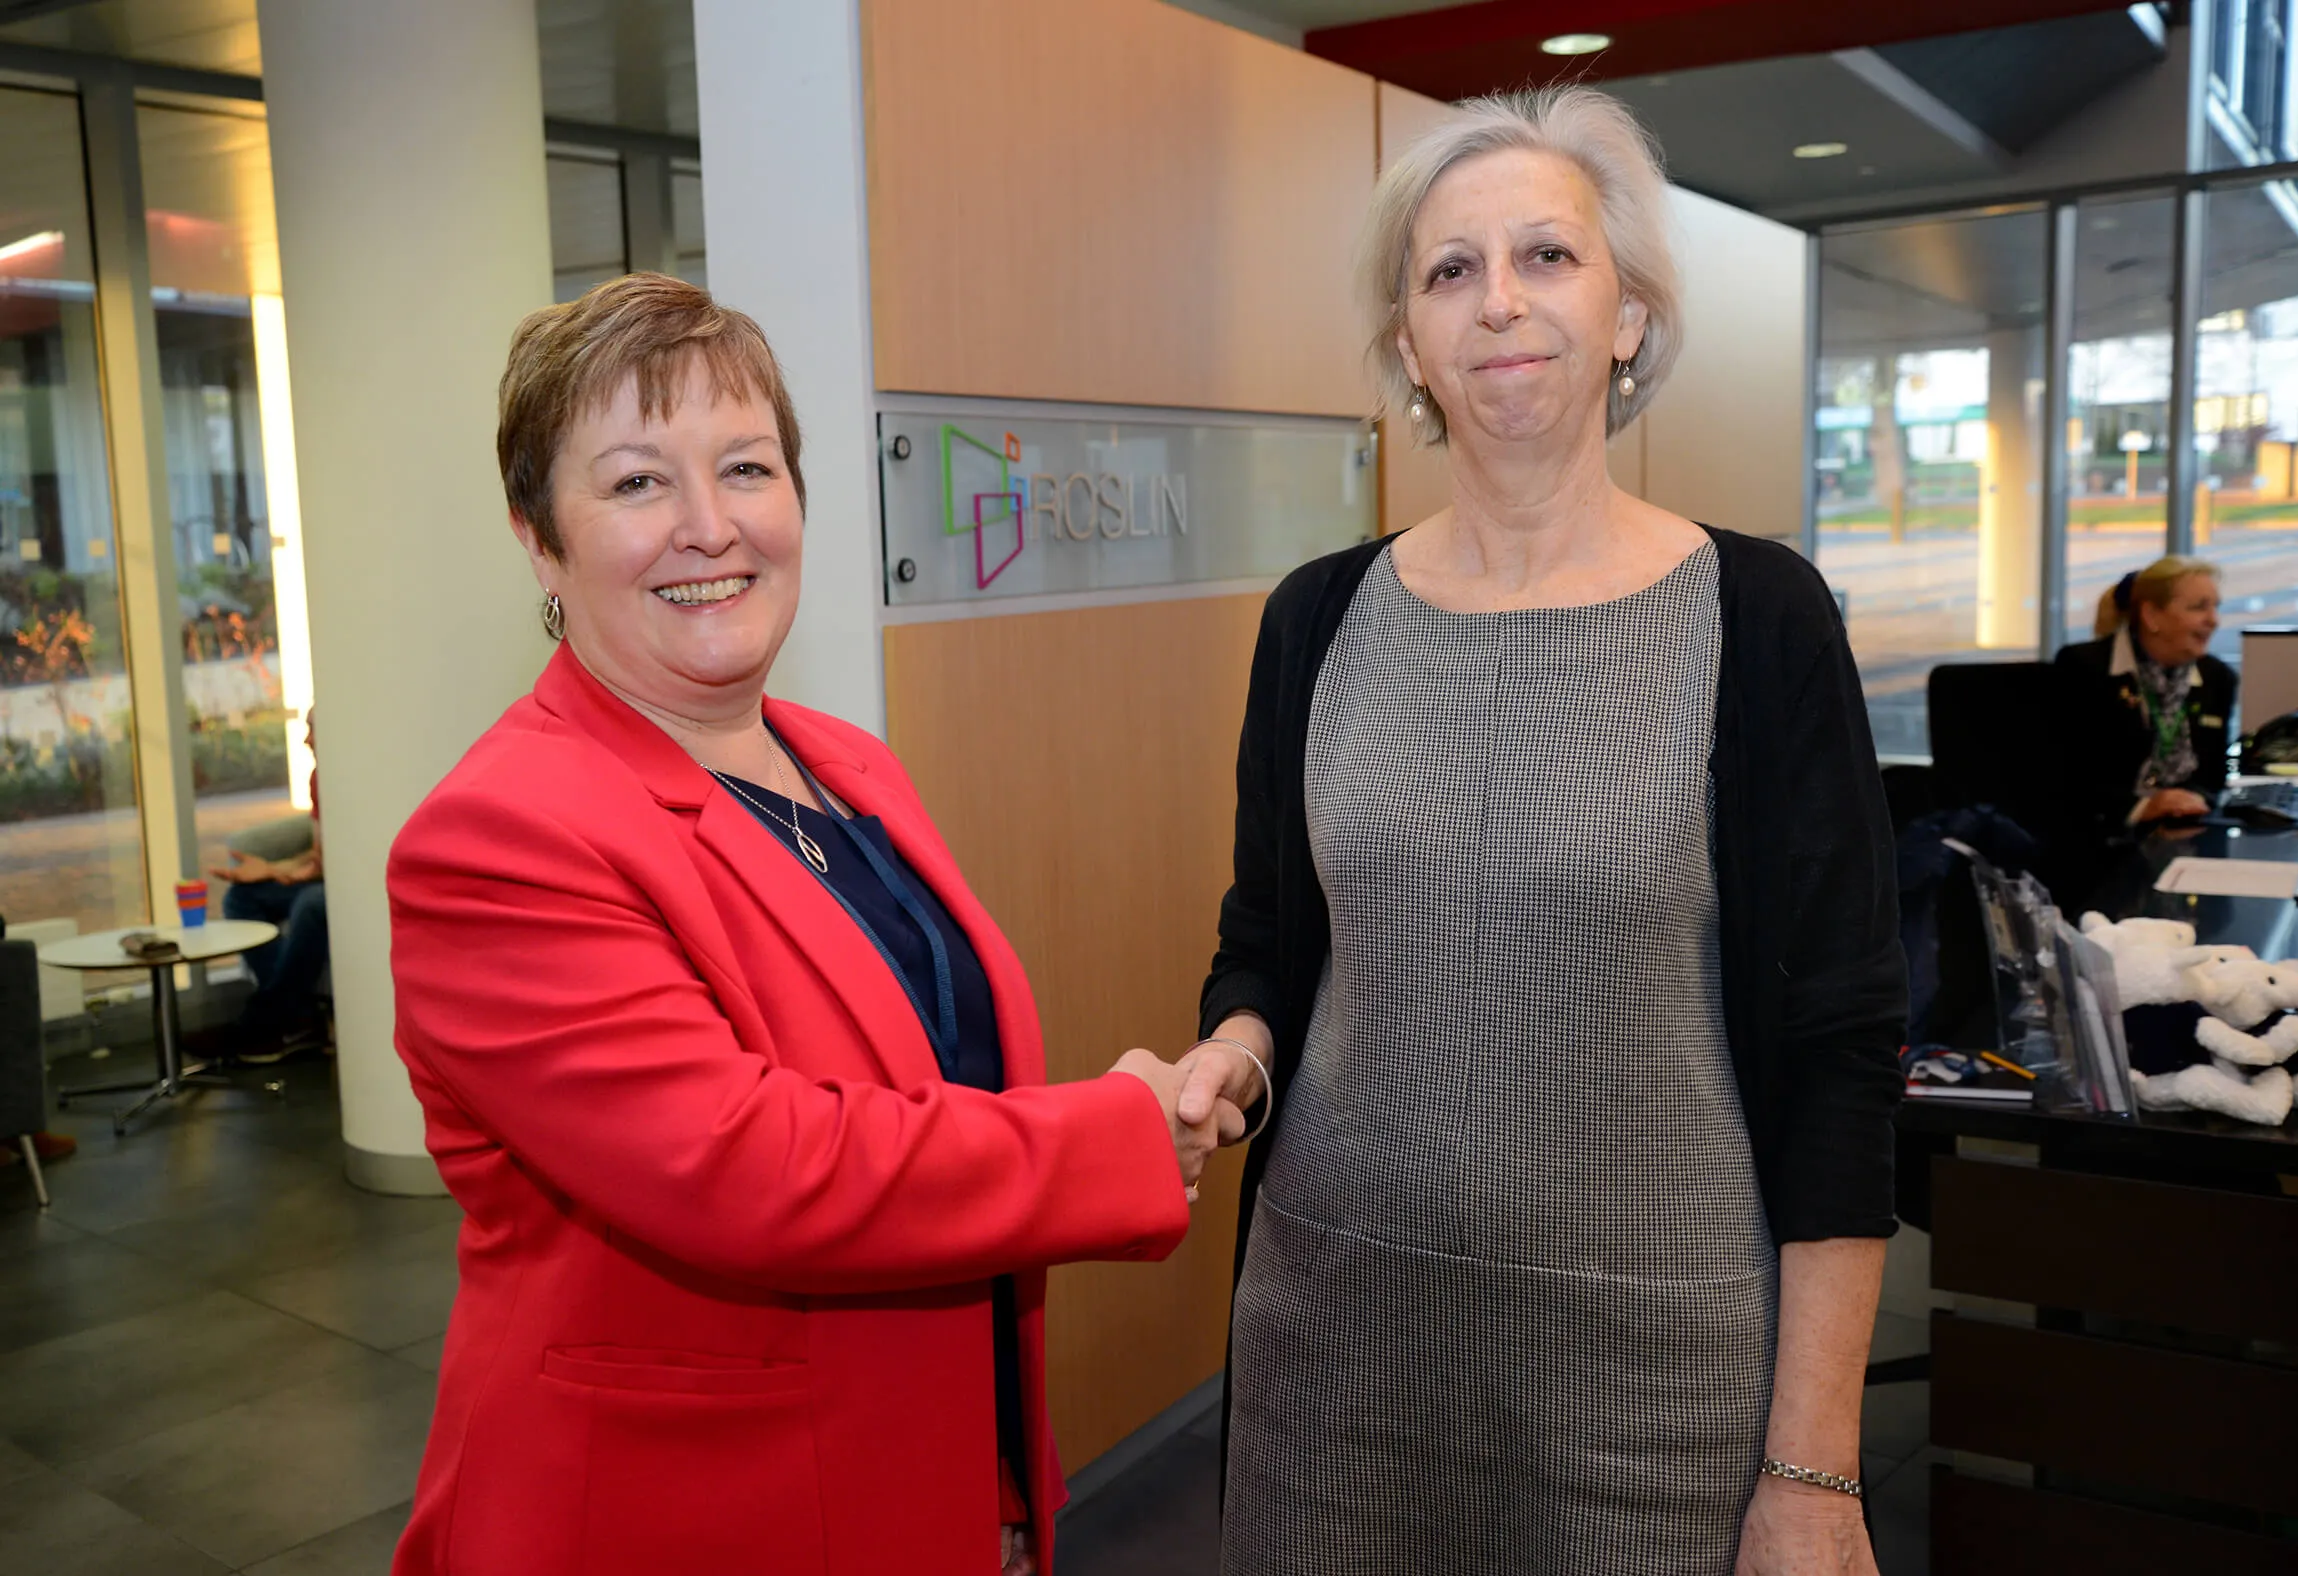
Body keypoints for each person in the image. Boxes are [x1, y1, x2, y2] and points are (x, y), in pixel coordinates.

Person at [385, 274, 1234, 1576]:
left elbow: (914, 1079)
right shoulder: (500, 838)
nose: (707, 526)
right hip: (691, 1520)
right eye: (633, 484)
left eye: (745, 466)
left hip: (934, 1478)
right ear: (537, 539)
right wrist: (1104, 1141)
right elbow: (746, 1165)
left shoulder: (838, 764)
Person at [1170, 87, 1905, 1574]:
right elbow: (1266, 950)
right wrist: (1229, 1062)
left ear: (1627, 314)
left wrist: (1813, 1469)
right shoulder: (1317, 621)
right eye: (1449, 271)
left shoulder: (1757, 622)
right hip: (1336, 1360)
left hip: (1650, 1389)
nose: (1498, 302)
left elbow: (1842, 1050)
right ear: (1407, 346)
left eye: (1547, 259)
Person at [2054, 555, 2232, 827]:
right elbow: (2066, 776)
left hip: (2185, 827)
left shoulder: (2217, 678)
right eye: (2199, 608)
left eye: (2215, 607)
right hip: (2100, 837)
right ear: (2151, 616)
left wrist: (2187, 802)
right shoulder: (2084, 669)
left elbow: (2212, 777)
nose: (2214, 620)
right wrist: (2142, 808)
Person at [209, 710, 330, 1060]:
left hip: (353, 883)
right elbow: (319, 854)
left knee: (310, 904)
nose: (306, 740)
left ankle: (261, 1021)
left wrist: (307, 873)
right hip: (325, 877)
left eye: (313, 730)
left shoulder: (358, 779)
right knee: (241, 898)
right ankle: (300, 1016)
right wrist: (273, 869)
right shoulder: (318, 779)